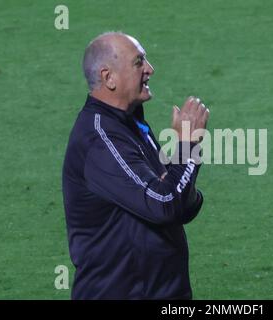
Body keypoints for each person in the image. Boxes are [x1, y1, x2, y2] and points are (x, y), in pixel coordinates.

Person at [62, 31, 209, 299]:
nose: (150, 69)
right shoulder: (100, 139)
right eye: (138, 62)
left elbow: (179, 203)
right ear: (109, 78)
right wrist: (188, 146)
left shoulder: (130, 123)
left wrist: (184, 159)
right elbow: (165, 203)